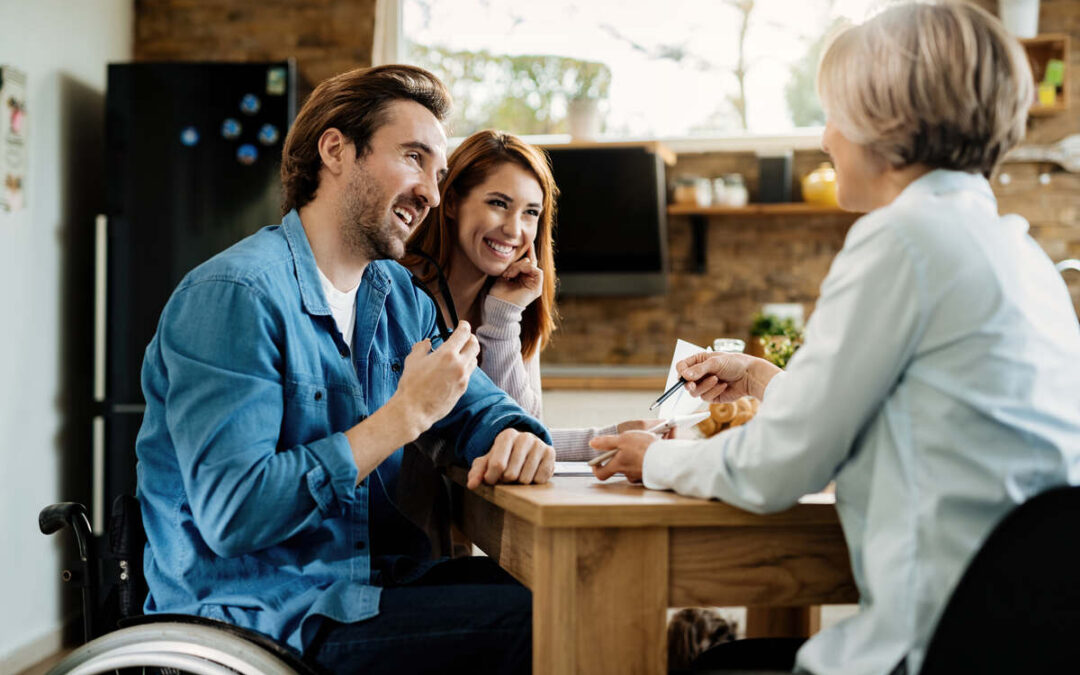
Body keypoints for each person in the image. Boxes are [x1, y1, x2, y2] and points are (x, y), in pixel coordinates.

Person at [589, 4, 1080, 674]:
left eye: (834, 114)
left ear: (888, 121)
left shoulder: (904, 241)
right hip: (1021, 643)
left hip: (929, 650)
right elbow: (903, 418)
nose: (824, 139)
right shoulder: (1015, 251)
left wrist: (652, 460)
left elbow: (776, 469)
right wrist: (764, 379)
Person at [135, 64, 555, 675]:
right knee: (548, 624)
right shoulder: (236, 295)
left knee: (565, 591)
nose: (432, 195)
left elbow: (478, 405)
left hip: (369, 587)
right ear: (336, 150)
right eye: (414, 158)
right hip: (263, 620)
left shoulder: (396, 295)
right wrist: (402, 416)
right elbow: (233, 511)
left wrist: (515, 436)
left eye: (438, 174)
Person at [404, 130, 655, 459]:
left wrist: (617, 437)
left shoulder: (511, 310)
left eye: (531, 213)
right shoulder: (398, 293)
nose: (513, 229)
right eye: (498, 203)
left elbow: (523, 439)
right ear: (451, 202)